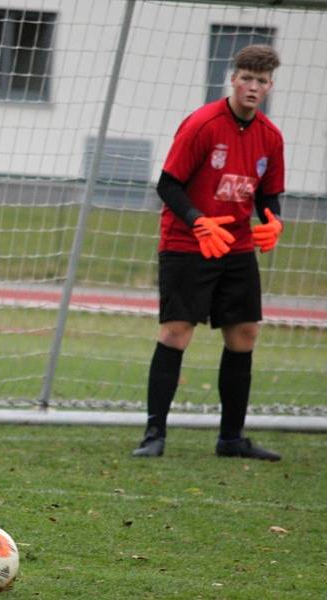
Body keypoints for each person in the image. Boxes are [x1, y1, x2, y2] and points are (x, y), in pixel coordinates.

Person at [132, 45, 284, 461]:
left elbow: (268, 195)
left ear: (270, 86)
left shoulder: (270, 136)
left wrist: (273, 222)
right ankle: (154, 435)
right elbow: (167, 185)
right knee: (177, 331)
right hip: (188, 242)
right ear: (233, 79)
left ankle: (231, 439)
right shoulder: (202, 125)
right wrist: (198, 220)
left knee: (244, 334)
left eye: (261, 80)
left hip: (235, 246)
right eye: (246, 78)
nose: (253, 87)